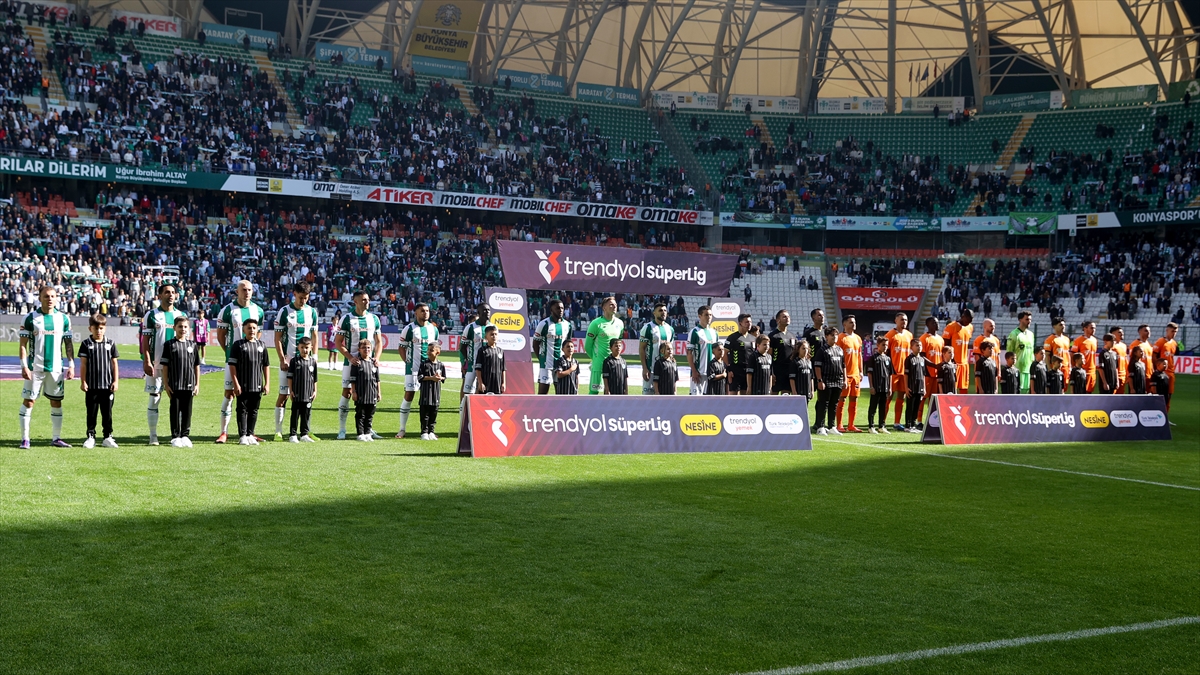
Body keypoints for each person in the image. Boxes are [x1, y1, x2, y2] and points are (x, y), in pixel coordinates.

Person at [18, 286, 74, 449]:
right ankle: (25, 439)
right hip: (35, 368)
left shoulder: (63, 319)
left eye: (52, 296)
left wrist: (71, 365)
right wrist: (23, 366)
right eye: (46, 296)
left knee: (56, 402)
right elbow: (23, 345)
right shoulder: (30, 318)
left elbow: (68, 344)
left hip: (56, 368)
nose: (49, 299)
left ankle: (56, 438)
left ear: (57, 298)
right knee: (29, 401)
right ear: (40, 298)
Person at [216, 280, 266, 444]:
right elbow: (221, 336)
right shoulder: (227, 310)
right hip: (234, 362)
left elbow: (258, 335)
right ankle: (224, 432)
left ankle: (249, 433)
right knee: (230, 394)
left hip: (251, 363)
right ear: (237, 291)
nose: (247, 292)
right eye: (243, 289)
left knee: (251, 397)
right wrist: (232, 355)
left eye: (250, 290)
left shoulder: (258, 310)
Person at [273, 282, 320, 441]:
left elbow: (314, 336)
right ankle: (278, 431)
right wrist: (281, 359)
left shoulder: (312, 312)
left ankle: (305, 432)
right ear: (294, 294)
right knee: (284, 395)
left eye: (306, 298)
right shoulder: (284, 312)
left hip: (306, 362)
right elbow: (278, 338)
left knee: (307, 396)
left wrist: (315, 356)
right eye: (301, 298)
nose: (303, 301)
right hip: (289, 361)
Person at [142, 283, 186, 446]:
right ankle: (153, 435)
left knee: (178, 399)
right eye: (167, 292)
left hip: (176, 366)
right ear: (159, 295)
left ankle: (178, 434)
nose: (171, 295)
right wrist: (147, 360)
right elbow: (145, 341)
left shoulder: (180, 315)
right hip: (156, 364)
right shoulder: (151, 315)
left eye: (173, 292)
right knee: (155, 398)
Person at [336, 290, 383, 440]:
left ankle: (368, 430)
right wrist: (350, 357)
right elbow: (338, 342)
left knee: (369, 394)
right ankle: (342, 429)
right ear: (355, 302)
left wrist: (377, 357)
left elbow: (379, 342)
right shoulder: (347, 319)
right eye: (363, 300)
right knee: (347, 393)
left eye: (367, 299)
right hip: (351, 363)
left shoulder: (374, 319)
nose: (366, 302)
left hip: (369, 364)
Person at [397, 303, 440, 438]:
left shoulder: (434, 329)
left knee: (429, 399)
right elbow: (401, 348)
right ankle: (402, 429)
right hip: (413, 370)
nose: (425, 313)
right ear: (416, 313)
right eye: (422, 311)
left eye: (427, 311)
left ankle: (429, 430)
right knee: (409, 395)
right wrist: (407, 362)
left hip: (429, 370)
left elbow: (436, 348)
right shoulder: (409, 329)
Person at [79, 313, 119, 449]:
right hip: (92, 386)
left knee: (107, 412)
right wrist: (83, 381)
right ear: (90, 329)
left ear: (105, 328)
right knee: (92, 412)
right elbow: (83, 364)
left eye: (101, 328)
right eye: (96, 328)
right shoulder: (86, 344)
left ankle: (108, 436)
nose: (99, 331)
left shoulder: (110, 343)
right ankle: (91, 436)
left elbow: (114, 364)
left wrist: (116, 381)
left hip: (107, 385)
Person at [228, 318, 270, 446]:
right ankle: (242, 435)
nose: (251, 330)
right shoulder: (238, 345)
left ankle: (250, 434)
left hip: (257, 385)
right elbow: (232, 365)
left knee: (254, 410)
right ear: (244, 329)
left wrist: (267, 383)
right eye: (249, 328)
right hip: (243, 384)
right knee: (242, 409)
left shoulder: (262, 345)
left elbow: (266, 365)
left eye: (254, 328)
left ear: (257, 330)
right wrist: (236, 383)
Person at [161, 316, 200, 448]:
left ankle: (185, 435)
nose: (182, 329)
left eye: (185, 327)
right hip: (175, 384)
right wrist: (166, 384)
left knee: (187, 411)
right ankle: (175, 436)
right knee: (175, 410)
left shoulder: (193, 345)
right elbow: (165, 366)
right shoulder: (169, 345)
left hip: (189, 384)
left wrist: (197, 384)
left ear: (188, 329)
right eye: (180, 326)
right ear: (174, 328)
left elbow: (196, 366)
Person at [583, 297, 625, 395]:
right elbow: (588, 346)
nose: (614, 306)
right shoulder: (596, 324)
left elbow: (619, 342)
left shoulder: (620, 323)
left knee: (613, 391)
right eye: (611, 304)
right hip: (599, 364)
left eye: (615, 304)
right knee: (595, 392)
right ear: (604, 308)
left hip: (614, 364)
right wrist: (596, 359)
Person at [535, 299, 573, 395]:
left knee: (561, 392)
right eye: (557, 308)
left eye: (562, 308)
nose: (560, 310)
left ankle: (559, 410)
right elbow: (535, 344)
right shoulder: (544, 324)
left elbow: (567, 344)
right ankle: (539, 410)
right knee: (543, 394)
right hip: (546, 363)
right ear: (551, 310)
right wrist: (541, 359)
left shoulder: (568, 325)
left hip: (561, 363)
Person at [813, 327, 846, 436]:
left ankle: (832, 426)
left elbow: (843, 366)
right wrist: (819, 380)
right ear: (826, 337)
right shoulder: (822, 350)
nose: (834, 337)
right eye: (832, 335)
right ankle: (820, 426)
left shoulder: (840, 350)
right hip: (826, 381)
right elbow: (817, 366)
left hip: (838, 381)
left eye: (836, 335)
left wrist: (844, 380)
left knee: (834, 404)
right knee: (823, 404)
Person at [460, 303, 494, 405]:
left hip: (488, 366)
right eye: (484, 310)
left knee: (484, 390)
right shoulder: (470, 328)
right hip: (472, 365)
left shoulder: (493, 327)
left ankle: (478, 411)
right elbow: (462, 348)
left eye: (488, 310)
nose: (487, 312)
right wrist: (466, 362)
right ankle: (463, 410)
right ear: (478, 312)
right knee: (467, 391)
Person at [639, 302, 675, 395]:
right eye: (660, 310)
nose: (663, 312)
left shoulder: (670, 329)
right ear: (654, 313)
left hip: (665, 370)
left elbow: (670, 349)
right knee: (648, 399)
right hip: (651, 370)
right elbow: (642, 349)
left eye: (665, 310)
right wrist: (644, 368)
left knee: (666, 397)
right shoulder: (647, 328)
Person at [286, 337, 319, 443]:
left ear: (311, 348)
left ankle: (304, 434)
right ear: (298, 348)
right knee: (295, 414)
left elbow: (315, 378)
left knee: (306, 414)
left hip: (308, 393)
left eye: (307, 347)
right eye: (302, 347)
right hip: (297, 392)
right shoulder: (294, 361)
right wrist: (291, 390)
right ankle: (293, 434)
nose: (304, 350)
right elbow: (290, 377)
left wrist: (315, 390)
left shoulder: (313, 362)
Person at [885, 313, 913, 431]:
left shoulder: (909, 335)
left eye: (906, 320)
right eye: (902, 319)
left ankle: (897, 422)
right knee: (888, 396)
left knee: (901, 397)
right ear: (895, 320)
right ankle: (882, 422)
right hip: (893, 372)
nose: (904, 322)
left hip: (904, 373)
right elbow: (886, 354)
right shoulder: (890, 335)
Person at [349, 339, 381, 442]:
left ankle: (368, 433)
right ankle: (360, 433)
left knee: (370, 414)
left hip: (372, 393)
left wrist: (379, 392)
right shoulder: (357, 363)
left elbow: (377, 379)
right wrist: (354, 392)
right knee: (360, 414)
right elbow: (353, 379)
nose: (366, 350)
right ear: (359, 349)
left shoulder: (373, 363)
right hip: (361, 393)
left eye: (368, 348)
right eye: (363, 348)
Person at [836, 315, 863, 432]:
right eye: (851, 322)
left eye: (854, 322)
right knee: (842, 399)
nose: (854, 324)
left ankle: (851, 425)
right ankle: (839, 425)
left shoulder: (858, 338)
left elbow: (859, 355)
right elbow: (838, 357)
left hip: (856, 374)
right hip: (845, 374)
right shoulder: (841, 338)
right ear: (844, 324)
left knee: (854, 399)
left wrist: (861, 371)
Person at [687, 305, 719, 395]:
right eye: (706, 315)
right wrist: (694, 371)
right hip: (699, 373)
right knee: (696, 401)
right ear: (699, 316)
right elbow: (689, 353)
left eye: (710, 315)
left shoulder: (714, 333)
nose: (709, 317)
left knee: (710, 401)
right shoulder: (695, 332)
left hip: (711, 373)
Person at [918, 317, 944, 428]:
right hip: (927, 373)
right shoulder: (924, 338)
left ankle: (931, 420)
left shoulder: (940, 339)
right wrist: (934, 365)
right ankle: (918, 421)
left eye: (937, 322)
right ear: (927, 324)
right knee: (923, 397)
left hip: (937, 374)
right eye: (934, 322)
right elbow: (922, 356)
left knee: (933, 399)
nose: (936, 324)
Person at [941, 308, 974, 393]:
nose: (969, 323)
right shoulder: (951, 327)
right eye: (968, 320)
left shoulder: (970, 327)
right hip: (954, 363)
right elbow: (945, 346)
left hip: (964, 364)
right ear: (963, 316)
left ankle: (963, 406)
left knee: (964, 389)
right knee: (952, 389)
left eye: (971, 321)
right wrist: (950, 361)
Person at [418, 343, 447, 440]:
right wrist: (431, 378)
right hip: (426, 394)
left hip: (436, 394)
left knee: (434, 413)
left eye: (431, 350)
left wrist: (439, 377)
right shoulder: (424, 364)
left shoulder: (441, 365)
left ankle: (431, 432)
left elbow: (444, 378)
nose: (428, 352)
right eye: (428, 350)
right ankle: (424, 432)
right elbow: (420, 377)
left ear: (437, 352)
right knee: (425, 414)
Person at [724, 313, 755, 396]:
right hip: (735, 370)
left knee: (746, 395)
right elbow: (725, 354)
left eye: (750, 322)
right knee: (733, 396)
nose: (749, 324)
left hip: (749, 371)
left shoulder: (753, 338)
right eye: (747, 322)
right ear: (740, 323)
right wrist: (729, 369)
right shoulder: (732, 337)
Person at [866, 336, 892, 434]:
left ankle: (881, 426)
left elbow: (890, 374)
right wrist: (871, 386)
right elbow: (870, 373)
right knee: (873, 407)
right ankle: (871, 426)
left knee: (883, 407)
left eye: (886, 345)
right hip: (876, 387)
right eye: (883, 345)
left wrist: (890, 387)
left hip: (885, 387)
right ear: (878, 345)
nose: (885, 347)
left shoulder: (888, 359)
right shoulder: (873, 358)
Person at [768, 310, 798, 395]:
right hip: (777, 371)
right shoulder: (773, 336)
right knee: (773, 397)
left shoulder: (792, 336)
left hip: (789, 370)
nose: (787, 318)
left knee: (786, 397)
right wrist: (771, 372)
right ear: (778, 320)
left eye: (788, 316)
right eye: (784, 316)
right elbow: (769, 356)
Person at [1152, 323, 1178, 416]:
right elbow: (1154, 356)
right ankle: (1156, 415)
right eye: (1172, 331)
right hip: (1162, 373)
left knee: (1169, 395)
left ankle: (1165, 416)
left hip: (1171, 372)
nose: (1174, 333)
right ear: (1167, 330)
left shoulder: (1174, 343)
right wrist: (1157, 369)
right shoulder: (1160, 341)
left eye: (1175, 331)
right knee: (1160, 395)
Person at [474, 326, 507, 394]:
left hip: (497, 384)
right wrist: (480, 383)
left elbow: (503, 369)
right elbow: (478, 368)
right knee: (484, 403)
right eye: (491, 334)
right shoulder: (482, 350)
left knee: (497, 403)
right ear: (486, 337)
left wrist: (503, 383)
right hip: (486, 384)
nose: (494, 336)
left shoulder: (500, 351)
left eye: (495, 334)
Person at [1071, 321, 1099, 393]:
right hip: (1082, 371)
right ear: (1085, 328)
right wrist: (1075, 368)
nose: (1094, 330)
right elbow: (1072, 355)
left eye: (1095, 328)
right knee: (1081, 392)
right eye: (1092, 328)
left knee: (1089, 392)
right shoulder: (1078, 340)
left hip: (1092, 371)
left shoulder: (1094, 340)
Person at [1043, 318, 1071, 388]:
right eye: (1060, 325)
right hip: (1056, 368)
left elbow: (1068, 354)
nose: (1063, 326)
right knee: (1055, 389)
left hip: (1066, 368)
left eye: (1064, 325)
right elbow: (1047, 356)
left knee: (1064, 388)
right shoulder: (1050, 339)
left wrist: (1070, 367)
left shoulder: (1066, 339)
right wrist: (1050, 370)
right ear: (1054, 326)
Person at [904, 343, 926, 432]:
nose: (919, 347)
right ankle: (907, 425)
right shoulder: (909, 359)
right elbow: (906, 374)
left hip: (919, 386)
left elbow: (924, 374)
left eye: (920, 345)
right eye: (916, 345)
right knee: (910, 406)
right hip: (911, 386)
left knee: (917, 406)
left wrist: (924, 387)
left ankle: (913, 425)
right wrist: (906, 387)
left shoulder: (922, 359)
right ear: (911, 347)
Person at [1110, 326, 1129, 393]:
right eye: (1119, 332)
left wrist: (1127, 374)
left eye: (1122, 332)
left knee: (1120, 397)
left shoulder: (1124, 346)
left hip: (1123, 376)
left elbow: (1125, 360)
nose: (1122, 333)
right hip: (1114, 376)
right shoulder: (1111, 347)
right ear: (1113, 334)